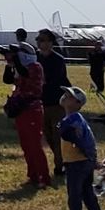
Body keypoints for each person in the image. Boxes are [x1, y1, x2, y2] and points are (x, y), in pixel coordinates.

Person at [59, 87, 105, 210]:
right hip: (84, 162)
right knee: (88, 193)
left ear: (79, 104)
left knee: (75, 195)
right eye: (65, 94)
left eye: (70, 96)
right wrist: (92, 159)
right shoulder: (78, 119)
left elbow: (66, 132)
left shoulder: (72, 119)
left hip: (76, 163)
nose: (65, 97)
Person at [4, 42, 51, 188]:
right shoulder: (19, 68)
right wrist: (9, 63)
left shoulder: (35, 67)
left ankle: (44, 176)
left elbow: (25, 74)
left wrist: (16, 61)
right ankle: (33, 174)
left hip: (32, 109)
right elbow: (7, 79)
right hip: (21, 110)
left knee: (35, 144)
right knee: (25, 144)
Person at [36, 29, 70, 176]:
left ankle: (59, 166)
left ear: (50, 42)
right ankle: (60, 160)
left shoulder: (58, 60)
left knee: (58, 136)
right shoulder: (35, 58)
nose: (39, 42)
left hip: (56, 104)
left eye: (43, 39)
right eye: (38, 39)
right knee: (48, 136)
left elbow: (58, 80)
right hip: (40, 103)